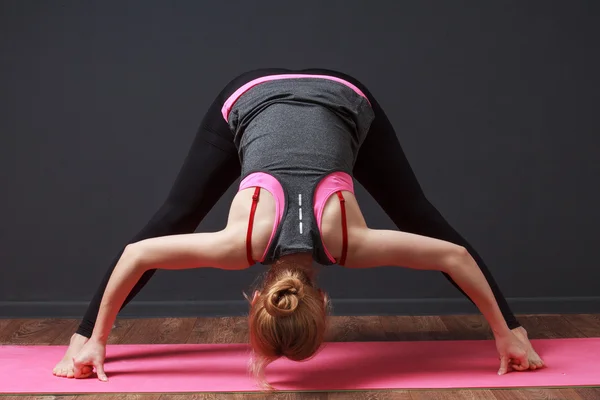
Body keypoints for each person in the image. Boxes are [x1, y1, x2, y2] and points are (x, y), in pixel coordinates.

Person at [52, 68, 545, 387]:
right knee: (176, 214)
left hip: (333, 95)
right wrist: (94, 337)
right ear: (257, 303)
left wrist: (506, 333)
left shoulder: (350, 244)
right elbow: (139, 253)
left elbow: (451, 256)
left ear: (323, 304)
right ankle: (82, 340)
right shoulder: (239, 245)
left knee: (417, 212)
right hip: (274, 96)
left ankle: (81, 340)